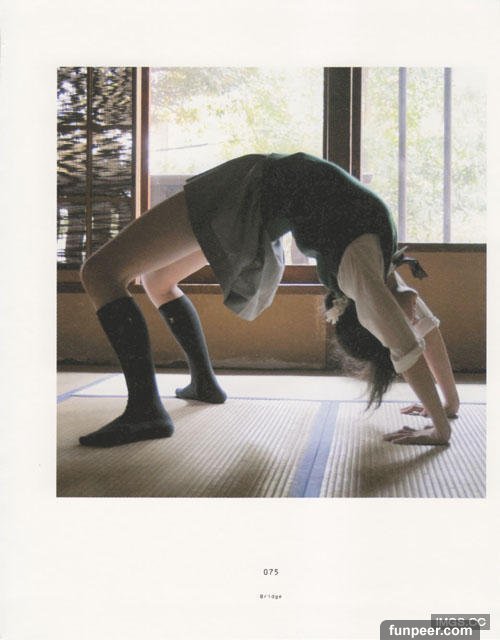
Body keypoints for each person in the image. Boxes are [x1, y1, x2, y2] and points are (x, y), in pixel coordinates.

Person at [79, 152, 459, 448]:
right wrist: (447, 408)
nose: (401, 314)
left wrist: (441, 424)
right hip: (255, 198)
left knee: (99, 272)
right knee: (158, 280)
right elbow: (413, 336)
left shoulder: (367, 263)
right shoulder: (369, 272)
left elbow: (409, 338)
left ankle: (145, 409)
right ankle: (203, 384)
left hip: (246, 193)